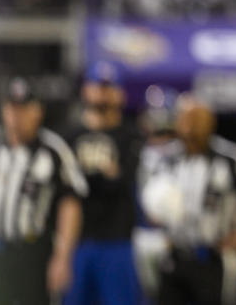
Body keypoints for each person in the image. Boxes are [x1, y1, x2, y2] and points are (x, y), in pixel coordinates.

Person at [140, 94, 236, 305]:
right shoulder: (165, 160)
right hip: (175, 255)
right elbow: (151, 205)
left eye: (197, 118)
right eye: (185, 118)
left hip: (214, 258)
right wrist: (159, 214)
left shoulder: (230, 159)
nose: (190, 126)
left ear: (210, 122)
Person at [0, 77, 87, 305]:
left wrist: (63, 257)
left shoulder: (52, 150)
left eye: (25, 108)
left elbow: (70, 204)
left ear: (38, 112)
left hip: (33, 252)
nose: (17, 116)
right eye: (13, 108)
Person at [64, 63, 143, 305]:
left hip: (117, 241)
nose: (102, 92)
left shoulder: (132, 137)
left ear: (120, 93)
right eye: (97, 86)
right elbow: (68, 190)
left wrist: (87, 177)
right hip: (76, 242)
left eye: (108, 87)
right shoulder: (67, 136)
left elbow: (123, 181)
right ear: (85, 90)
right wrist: (105, 174)